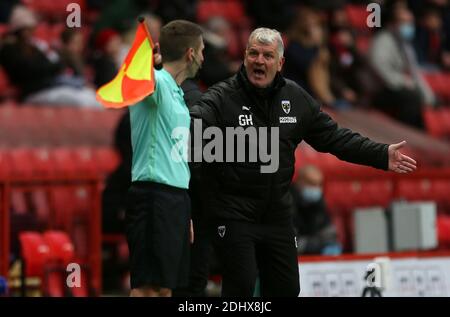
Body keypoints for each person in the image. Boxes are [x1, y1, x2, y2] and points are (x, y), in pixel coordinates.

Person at [190, 27, 417, 297]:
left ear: (280, 63)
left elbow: (335, 138)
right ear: (244, 56)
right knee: (241, 287)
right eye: (253, 53)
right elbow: (196, 123)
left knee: (287, 289)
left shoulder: (295, 98)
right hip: (234, 213)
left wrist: (380, 153)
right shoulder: (221, 97)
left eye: (267, 55)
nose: (259, 61)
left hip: (277, 214)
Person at [125, 20, 204, 297]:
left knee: (165, 288)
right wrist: (150, 63)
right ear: (191, 54)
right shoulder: (156, 82)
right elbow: (134, 78)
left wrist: (185, 210)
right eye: (202, 50)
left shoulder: (177, 93)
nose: (204, 58)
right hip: (153, 196)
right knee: (148, 288)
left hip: (174, 199)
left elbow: (178, 155)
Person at [290, 165, 341, 255]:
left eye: (319, 184)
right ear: (299, 182)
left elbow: (328, 233)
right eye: (311, 183)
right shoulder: (287, 202)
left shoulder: (319, 203)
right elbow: (290, 242)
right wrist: (318, 245)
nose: (316, 188)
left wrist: (330, 244)